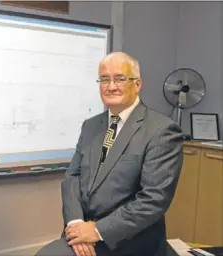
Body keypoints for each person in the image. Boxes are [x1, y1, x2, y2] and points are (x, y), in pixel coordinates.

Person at [36, 52, 183, 256]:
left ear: (137, 84)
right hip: (83, 231)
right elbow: (72, 178)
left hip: (128, 239)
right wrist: (77, 224)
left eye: (120, 79)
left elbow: (153, 199)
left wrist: (97, 230)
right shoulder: (91, 126)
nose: (111, 86)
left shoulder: (162, 131)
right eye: (105, 79)